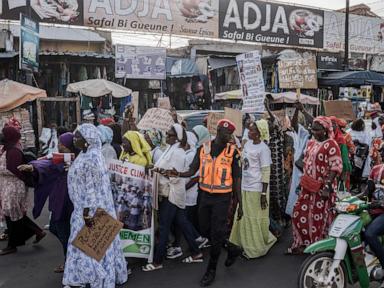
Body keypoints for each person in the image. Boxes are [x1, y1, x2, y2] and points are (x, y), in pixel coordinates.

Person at [168, 119, 243, 287]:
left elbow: (237, 179)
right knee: (204, 230)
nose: (230, 136)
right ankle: (232, 248)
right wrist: (178, 174)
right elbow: (193, 170)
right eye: (227, 133)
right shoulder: (203, 149)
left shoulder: (234, 152)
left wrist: (240, 203)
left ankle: (211, 270)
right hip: (205, 196)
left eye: (231, 133)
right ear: (218, 132)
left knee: (216, 233)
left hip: (222, 198)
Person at [63, 124, 128, 288]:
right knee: (88, 244)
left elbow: (92, 189)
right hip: (82, 208)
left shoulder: (93, 158)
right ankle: (84, 276)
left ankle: (92, 276)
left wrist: (86, 214)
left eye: (78, 137)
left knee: (88, 244)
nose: (74, 139)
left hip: (89, 211)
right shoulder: (85, 154)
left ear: (87, 140)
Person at [142, 123, 203, 272]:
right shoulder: (170, 149)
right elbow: (165, 169)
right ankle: (196, 252)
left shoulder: (178, 153)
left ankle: (157, 261)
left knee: (164, 226)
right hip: (169, 192)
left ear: (177, 138)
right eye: (167, 134)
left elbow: (175, 176)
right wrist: (155, 169)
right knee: (181, 221)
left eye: (170, 135)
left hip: (171, 194)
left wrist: (158, 170)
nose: (166, 137)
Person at [18, 132, 75, 273]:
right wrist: (33, 167)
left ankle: (70, 263)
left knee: (64, 232)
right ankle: (71, 260)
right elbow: (46, 163)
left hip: (69, 203)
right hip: (59, 200)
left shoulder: (78, 159)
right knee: (57, 228)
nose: (60, 145)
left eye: (63, 143)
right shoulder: (61, 158)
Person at [288, 117, 343, 254]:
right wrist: (303, 181)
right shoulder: (311, 143)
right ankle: (303, 243)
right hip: (308, 186)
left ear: (325, 130)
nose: (313, 132)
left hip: (322, 189)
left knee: (319, 218)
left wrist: (327, 187)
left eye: (316, 130)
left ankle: (318, 246)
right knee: (298, 213)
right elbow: (305, 162)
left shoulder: (331, 144)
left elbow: (335, 167)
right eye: (312, 129)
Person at [230, 121, 277, 258]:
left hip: (257, 189)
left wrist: (263, 194)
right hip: (245, 186)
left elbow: (266, 172)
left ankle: (255, 249)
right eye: (249, 130)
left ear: (259, 133)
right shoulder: (248, 144)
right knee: (243, 215)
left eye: (251, 131)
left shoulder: (264, 149)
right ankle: (242, 244)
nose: (249, 133)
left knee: (253, 218)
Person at [0, 126, 46, 256]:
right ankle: (36, 231)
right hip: (7, 185)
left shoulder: (14, 151)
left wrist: (24, 183)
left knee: (12, 213)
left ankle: (12, 245)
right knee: (13, 213)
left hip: (14, 186)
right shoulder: (7, 149)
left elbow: (15, 170)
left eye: (3, 134)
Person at [285, 103, 312, 216]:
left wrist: (304, 110)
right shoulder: (305, 134)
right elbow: (294, 124)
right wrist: (297, 109)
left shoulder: (323, 141)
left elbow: (315, 121)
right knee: (297, 197)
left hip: (311, 174)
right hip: (298, 172)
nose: (313, 129)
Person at [265, 97, 288, 229]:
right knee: (270, 197)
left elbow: (275, 121)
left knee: (278, 196)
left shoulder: (277, 135)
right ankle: (274, 220)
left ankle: (281, 219)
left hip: (277, 171)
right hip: (268, 171)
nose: (268, 124)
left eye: (270, 123)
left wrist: (267, 107)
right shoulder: (265, 138)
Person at [364, 163, 384, 280]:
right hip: (373, 210)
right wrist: (348, 200)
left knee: (370, 233)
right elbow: (367, 192)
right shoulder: (376, 169)